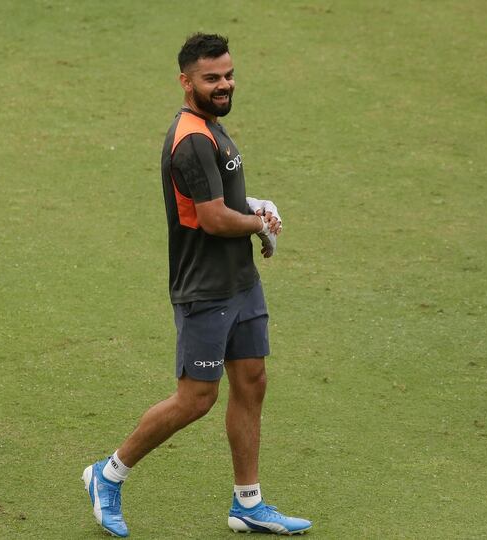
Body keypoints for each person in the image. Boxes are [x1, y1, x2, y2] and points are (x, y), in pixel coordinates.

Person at [82, 33, 311, 536]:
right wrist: (259, 224)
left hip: (240, 282)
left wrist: (254, 206)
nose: (224, 84)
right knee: (196, 399)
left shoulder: (213, 128)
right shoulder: (191, 140)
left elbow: (224, 199)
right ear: (186, 82)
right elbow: (210, 219)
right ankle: (107, 474)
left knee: (251, 382)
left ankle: (247, 503)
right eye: (212, 78)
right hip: (205, 288)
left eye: (228, 75)